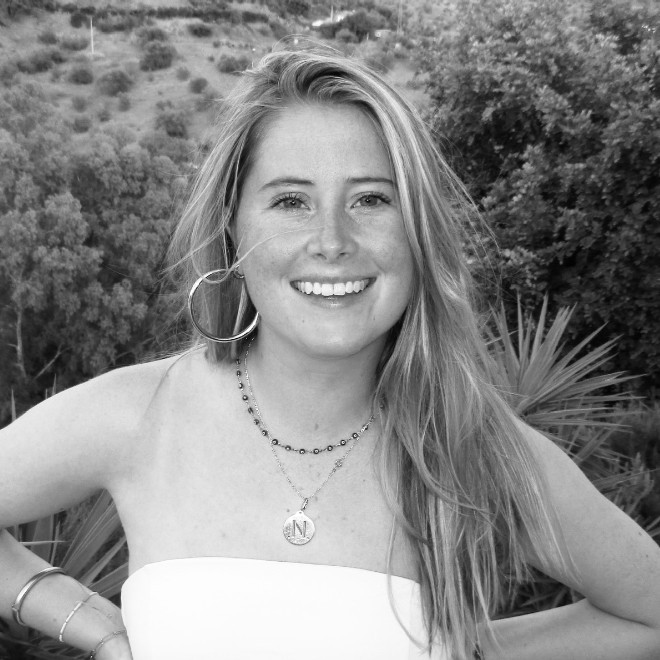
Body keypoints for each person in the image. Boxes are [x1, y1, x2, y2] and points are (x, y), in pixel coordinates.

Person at [1, 43, 660, 660]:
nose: (332, 240)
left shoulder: (475, 446)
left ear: (418, 231)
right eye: (291, 201)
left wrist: (461, 650)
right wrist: (87, 620)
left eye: (371, 199)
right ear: (233, 229)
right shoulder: (139, 415)